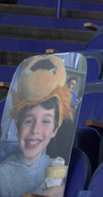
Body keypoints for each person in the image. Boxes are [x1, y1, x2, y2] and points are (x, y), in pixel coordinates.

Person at [0, 55, 74, 197]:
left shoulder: (60, 169)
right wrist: (45, 192)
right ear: (18, 127)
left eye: (46, 121)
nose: (35, 130)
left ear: (55, 130)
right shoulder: (3, 174)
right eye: (28, 121)